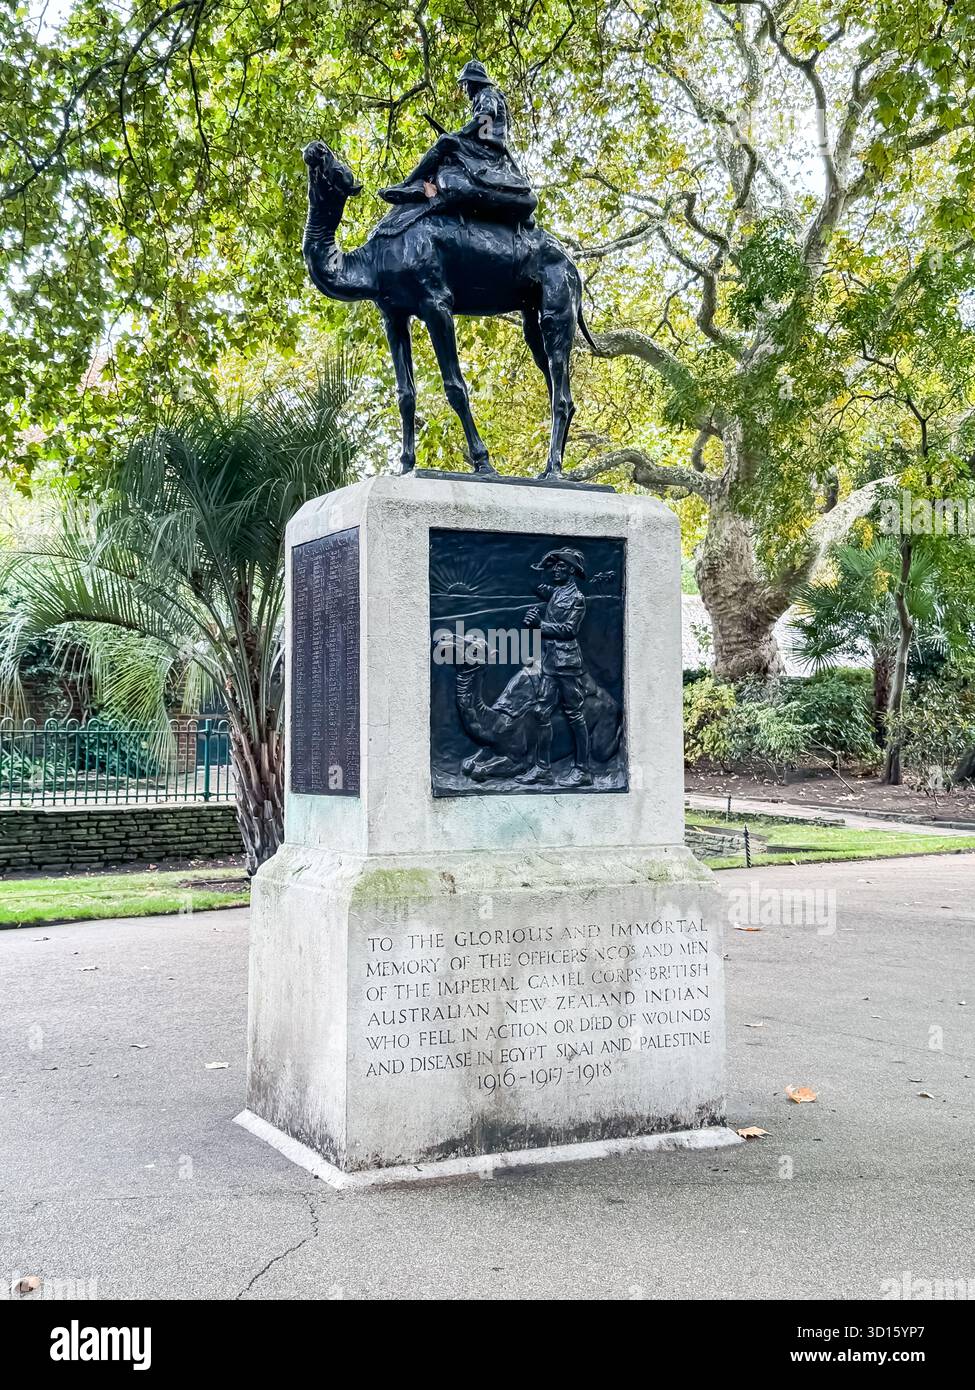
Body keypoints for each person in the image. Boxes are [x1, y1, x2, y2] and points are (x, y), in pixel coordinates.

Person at [379, 60, 537, 225]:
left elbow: (487, 114)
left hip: (488, 150)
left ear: (473, 82)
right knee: (447, 150)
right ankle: (421, 186)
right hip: (484, 146)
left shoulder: (487, 94)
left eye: (466, 84)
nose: (465, 88)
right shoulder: (487, 95)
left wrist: (462, 133)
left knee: (445, 141)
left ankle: (408, 183)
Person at [519, 548, 592, 787]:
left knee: (574, 715)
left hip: (567, 664)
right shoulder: (557, 592)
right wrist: (543, 562)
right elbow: (534, 584)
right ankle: (543, 769)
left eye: (560, 566)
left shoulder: (577, 598)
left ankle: (583, 770)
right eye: (554, 566)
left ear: (571, 570)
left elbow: (570, 630)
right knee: (541, 712)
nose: (555, 570)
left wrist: (539, 625)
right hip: (551, 663)